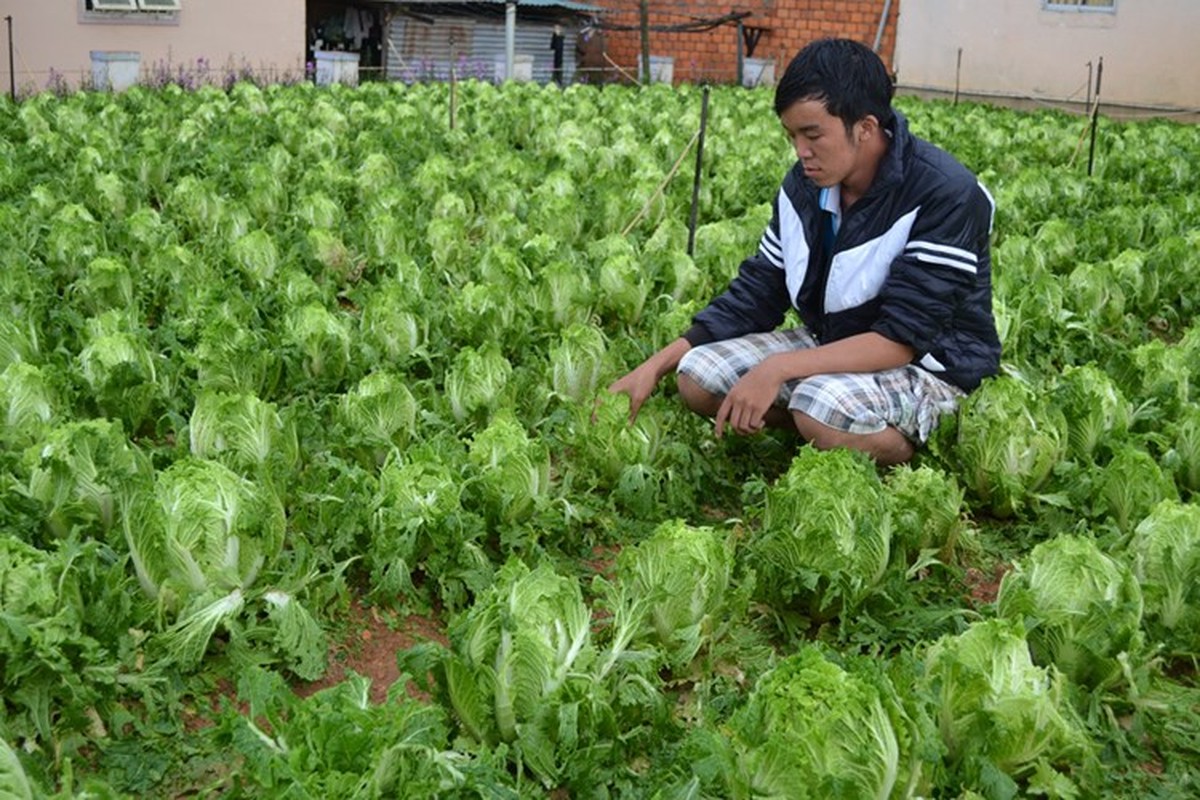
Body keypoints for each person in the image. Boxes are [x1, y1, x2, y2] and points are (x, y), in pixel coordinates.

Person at [608, 38, 1000, 466]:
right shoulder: (804, 186)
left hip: (934, 366)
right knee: (697, 377)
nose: (800, 152)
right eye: (792, 135)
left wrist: (778, 368)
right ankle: (830, 427)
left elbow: (901, 339)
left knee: (818, 406)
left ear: (865, 127)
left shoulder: (945, 193)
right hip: (834, 340)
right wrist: (656, 364)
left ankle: (908, 446)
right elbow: (758, 293)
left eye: (812, 134)